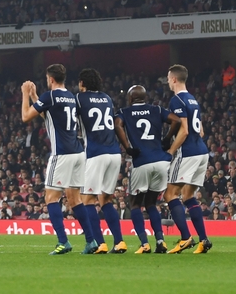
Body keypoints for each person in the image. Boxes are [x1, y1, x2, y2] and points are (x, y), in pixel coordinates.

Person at [21, 64, 94, 255]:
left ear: (51, 79)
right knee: (75, 199)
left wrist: (24, 94)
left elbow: (26, 116)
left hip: (62, 154)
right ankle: (91, 241)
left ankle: (63, 242)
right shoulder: (71, 97)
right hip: (79, 153)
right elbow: (49, 116)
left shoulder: (50, 96)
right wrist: (35, 97)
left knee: (51, 198)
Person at [114, 85, 180, 254]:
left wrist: (128, 148)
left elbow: (117, 125)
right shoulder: (157, 109)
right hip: (161, 161)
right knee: (151, 202)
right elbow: (177, 120)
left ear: (130, 99)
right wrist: (166, 139)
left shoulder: (125, 111)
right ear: (145, 97)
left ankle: (144, 243)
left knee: (135, 204)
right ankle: (160, 241)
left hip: (141, 161)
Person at [163, 64, 213, 254]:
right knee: (188, 196)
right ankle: (204, 240)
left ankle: (185, 238)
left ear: (174, 79)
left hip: (188, 153)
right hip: (201, 152)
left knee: (170, 195)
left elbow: (184, 130)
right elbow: (200, 130)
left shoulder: (177, 100)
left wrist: (171, 151)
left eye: (168, 78)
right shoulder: (193, 100)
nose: (168, 81)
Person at [76, 68, 125, 254]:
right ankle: (119, 242)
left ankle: (99, 243)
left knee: (87, 199)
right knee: (106, 199)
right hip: (114, 153)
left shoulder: (80, 98)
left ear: (82, 83)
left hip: (96, 152)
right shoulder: (106, 98)